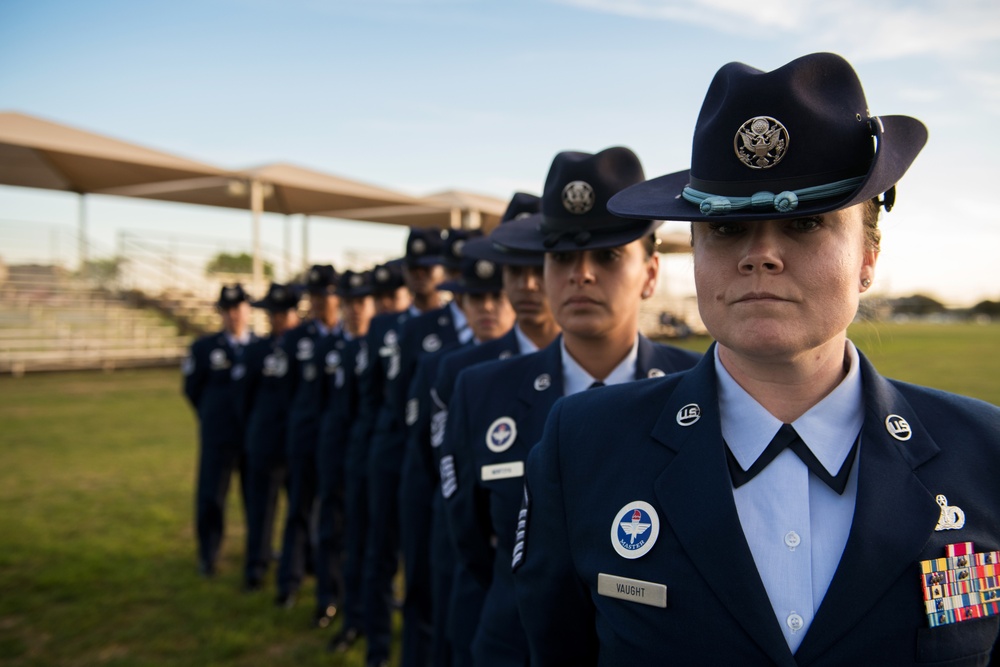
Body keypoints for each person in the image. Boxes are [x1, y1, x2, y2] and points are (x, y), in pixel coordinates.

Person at [513, 53, 1000, 665]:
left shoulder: (984, 454)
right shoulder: (584, 446)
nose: (760, 254)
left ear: (868, 258)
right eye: (726, 228)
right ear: (694, 251)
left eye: (805, 223)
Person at [442, 147, 702, 667]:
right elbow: (472, 542)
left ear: (649, 274)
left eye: (607, 256)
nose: (580, 274)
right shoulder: (481, 391)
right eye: (561, 255)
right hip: (514, 647)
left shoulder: (697, 389)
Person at [430, 192, 561, 667]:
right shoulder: (471, 376)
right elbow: (464, 515)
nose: (527, 285)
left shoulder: (600, 372)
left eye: (539, 265)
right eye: (514, 270)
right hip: (500, 605)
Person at [400, 242, 519, 667]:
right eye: (475, 298)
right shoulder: (448, 368)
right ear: (461, 302)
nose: (486, 307)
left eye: (495, 296)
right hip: (459, 519)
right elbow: (432, 451)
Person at [362, 228, 450, 667]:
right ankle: (377, 646)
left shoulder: (461, 323)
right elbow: (382, 393)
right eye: (412, 269)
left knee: (436, 572)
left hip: (442, 461)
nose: (419, 277)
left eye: (426, 267)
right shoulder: (394, 327)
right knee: (386, 550)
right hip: (396, 449)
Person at [328, 258, 411, 654]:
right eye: (379, 297)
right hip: (376, 450)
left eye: (390, 295)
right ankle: (365, 629)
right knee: (367, 542)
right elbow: (371, 399)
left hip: (416, 455)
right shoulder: (377, 330)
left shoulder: (429, 326)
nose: (383, 304)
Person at [274, 264, 342, 614]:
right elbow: (283, 395)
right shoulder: (295, 339)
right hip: (303, 437)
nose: (317, 302)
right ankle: (289, 581)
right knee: (298, 509)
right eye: (313, 296)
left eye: (324, 295)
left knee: (334, 514)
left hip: (338, 442)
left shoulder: (351, 337)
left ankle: (333, 586)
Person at [314, 269, 376, 629]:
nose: (355, 309)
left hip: (365, 456)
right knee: (330, 529)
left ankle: (363, 607)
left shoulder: (381, 349)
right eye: (349, 302)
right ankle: (328, 598)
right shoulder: (329, 349)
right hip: (333, 451)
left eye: (361, 302)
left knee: (364, 536)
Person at [182, 283, 257, 578]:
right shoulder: (204, 349)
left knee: (256, 500)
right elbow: (192, 389)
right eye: (227, 310)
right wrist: (213, 416)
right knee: (211, 497)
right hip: (218, 437)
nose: (234, 315)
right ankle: (209, 553)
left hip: (252, 437)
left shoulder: (261, 348)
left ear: (248, 309)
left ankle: (257, 553)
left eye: (238, 308)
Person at [238, 281, 301, 592]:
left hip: (298, 444)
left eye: (282, 313)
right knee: (260, 509)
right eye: (273, 314)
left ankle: (300, 566)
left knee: (301, 512)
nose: (276, 319)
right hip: (264, 442)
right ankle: (256, 565)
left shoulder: (306, 347)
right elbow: (244, 398)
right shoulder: (256, 351)